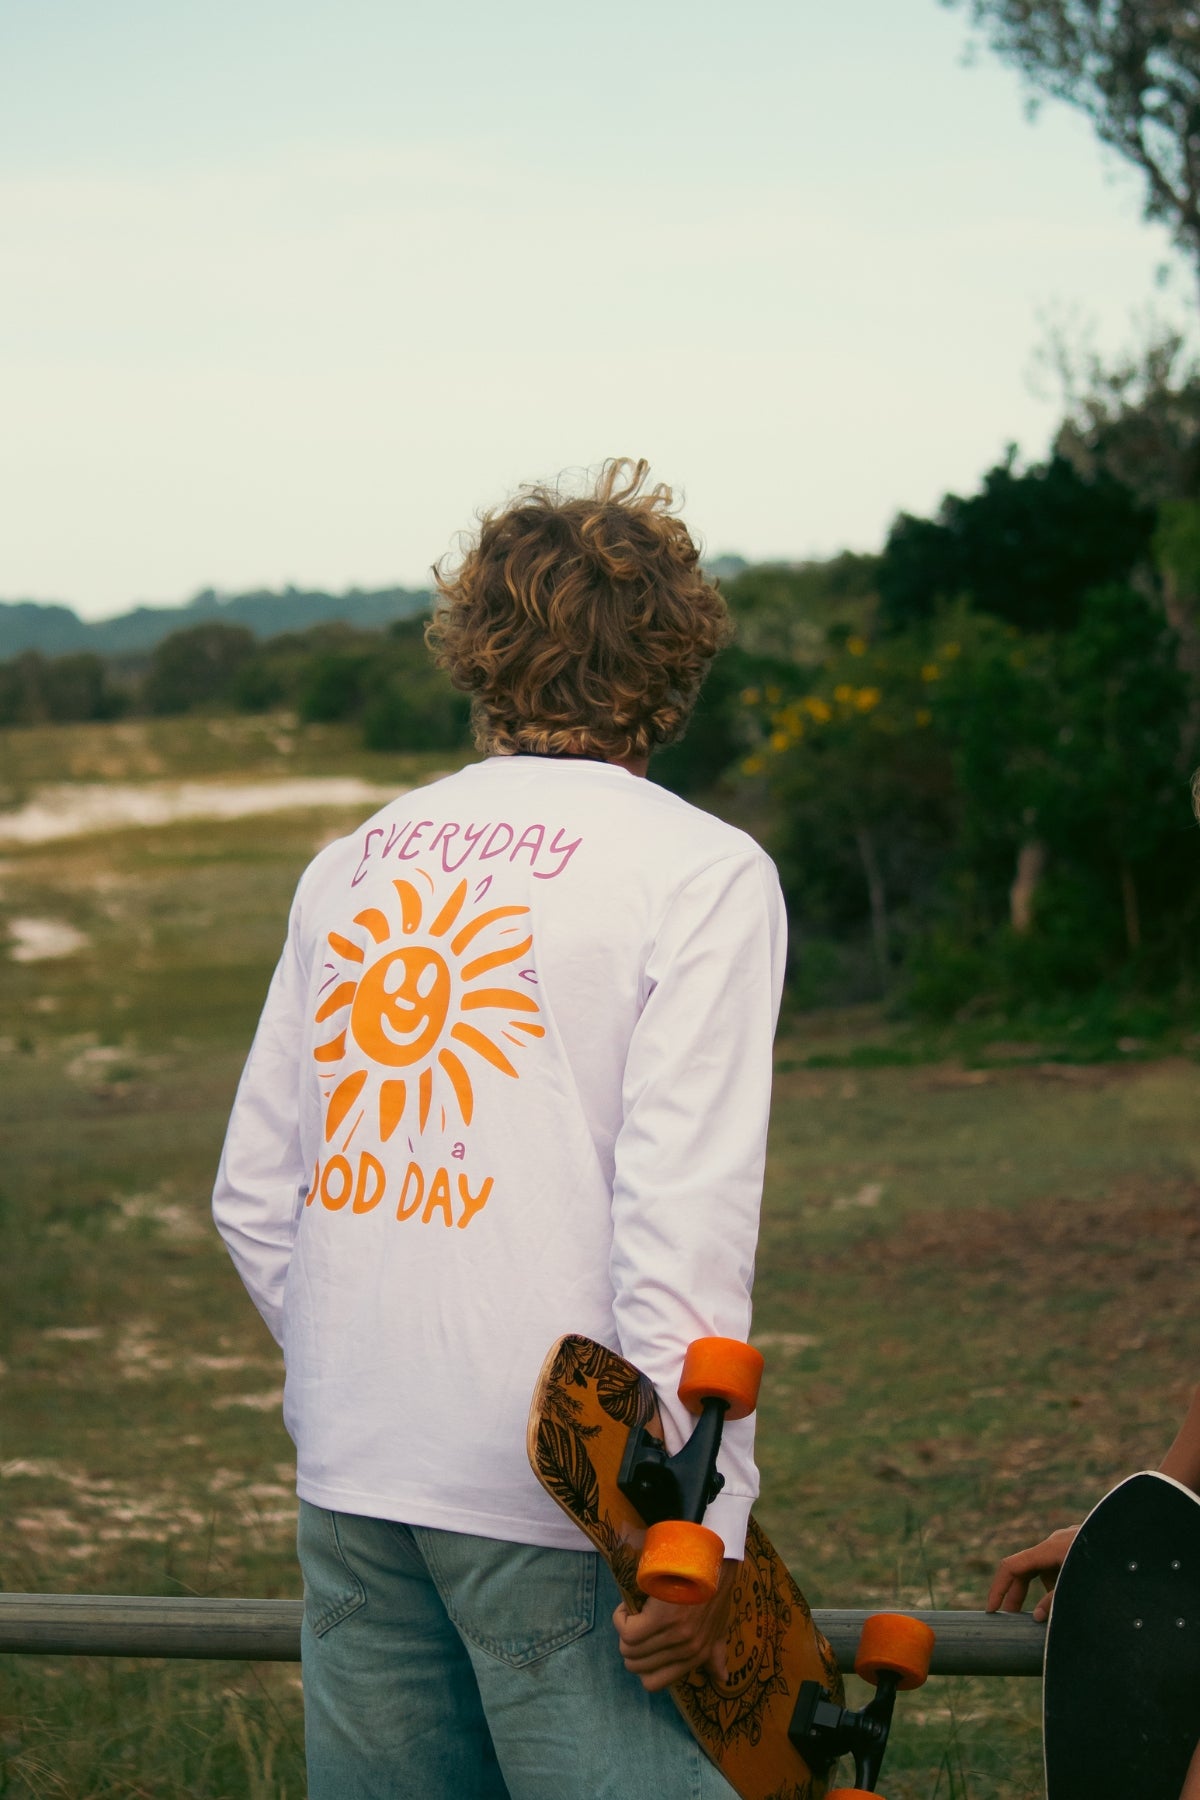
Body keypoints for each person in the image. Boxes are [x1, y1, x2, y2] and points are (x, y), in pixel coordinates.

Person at [212, 458, 786, 1800]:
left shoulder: (351, 862)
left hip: (354, 1469)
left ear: (475, 651)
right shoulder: (702, 874)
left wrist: (381, 1369)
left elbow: (254, 1196)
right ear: (677, 657)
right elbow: (681, 1224)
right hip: (563, 1493)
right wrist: (697, 1527)